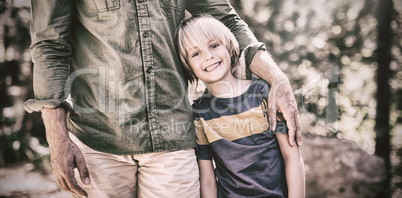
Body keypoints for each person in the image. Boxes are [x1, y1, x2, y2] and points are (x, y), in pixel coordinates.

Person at [24, 0, 302, 197]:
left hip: (172, 137)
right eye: (195, 54)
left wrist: (278, 79)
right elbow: (49, 45)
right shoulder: (206, 113)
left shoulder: (236, 103)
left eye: (214, 48)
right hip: (99, 136)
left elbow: (226, 20)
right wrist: (56, 136)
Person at [175, 14, 305, 197]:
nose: (208, 57)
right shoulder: (200, 111)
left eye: (213, 46)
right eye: (196, 53)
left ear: (228, 45)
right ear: (188, 65)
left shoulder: (263, 92)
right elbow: (207, 179)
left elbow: (292, 157)